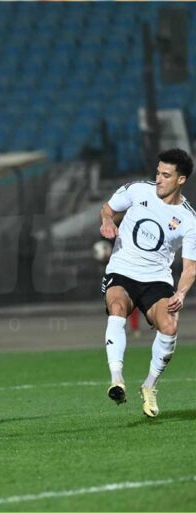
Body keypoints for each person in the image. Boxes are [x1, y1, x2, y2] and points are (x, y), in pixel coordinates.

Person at [99, 148, 195, 417]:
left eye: (166, 175)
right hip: (122, 269)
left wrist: (182, 292)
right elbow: (107, 209)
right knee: (117, 306)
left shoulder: (189, 220)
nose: (159, 180)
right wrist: (107, 222)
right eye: (158, 173)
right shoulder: (137, 190)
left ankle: (150, 386)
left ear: (181, 180)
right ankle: (117, 379)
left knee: (169, 325)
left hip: (156, 278)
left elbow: (190, 268)